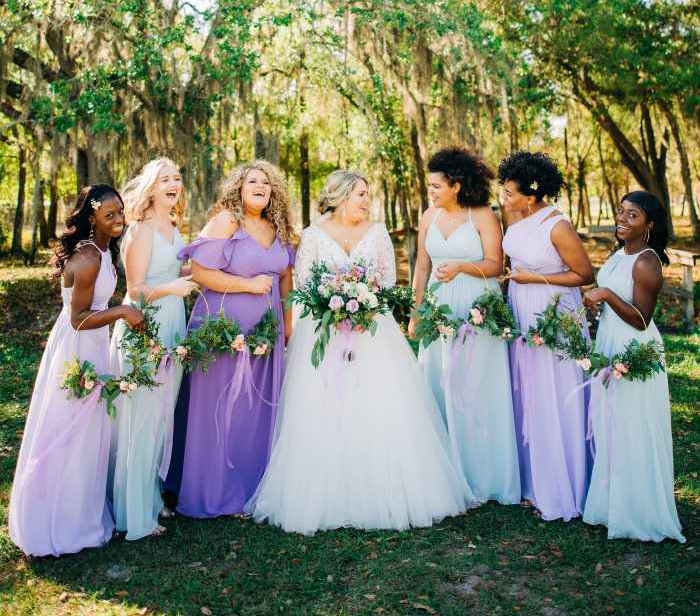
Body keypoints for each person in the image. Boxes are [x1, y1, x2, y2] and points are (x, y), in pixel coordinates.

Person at [249, 169, 474, 534]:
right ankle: (326, 490)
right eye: (360, 195)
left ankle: (384, 486)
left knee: (380, 403)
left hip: (372, 330)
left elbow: (387, 280)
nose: (367, 201)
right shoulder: (314, 234)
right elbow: (305, 282)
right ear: (339, 197)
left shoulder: (378, 232)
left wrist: (365, 304)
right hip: (323, 327)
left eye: (368, 195)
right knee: (324, 407)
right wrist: (331, 310)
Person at [9, 185, 146, 557]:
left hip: (94, 344)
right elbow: (79, 318)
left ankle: (84, 514)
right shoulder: (87, 258)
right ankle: (60, 522)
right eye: (110, 216)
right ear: (91, 218)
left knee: (90, 430)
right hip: (78, 346)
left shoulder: (104, 249)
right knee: (70, 429)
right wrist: (122, 311)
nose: (119, 221)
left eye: (121, 212)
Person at [165, 161, 295, 518]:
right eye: (253, 181)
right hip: (223, 326)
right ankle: (211, 489)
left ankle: (251, 487)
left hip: (265, 330)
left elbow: (285, 277)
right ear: (238, 187)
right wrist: (248, 285)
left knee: (255, 409)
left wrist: (287, 323)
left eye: (266, 183)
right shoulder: (226, 220)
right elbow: (202, 272)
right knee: (220, 408)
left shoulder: (276, 225)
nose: (260, 187)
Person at [412, 145, 520, 505]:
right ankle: (444, 472)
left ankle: (482, 473)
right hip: (438, 306)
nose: (431, 191)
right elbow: (422, 268)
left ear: (456, 185)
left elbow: (495, 264)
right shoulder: (428, 216)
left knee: (475, 384)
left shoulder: (483, 216)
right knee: (438, 381)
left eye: (436, 186)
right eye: (429, 186)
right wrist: (415, 312)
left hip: (476, 304)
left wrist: (460, 267)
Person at [583, 191, 685, 542]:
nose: (622, 219)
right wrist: (598, 304)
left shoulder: (646, 262)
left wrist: (607, 295)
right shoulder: (618, 254)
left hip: (635, 351)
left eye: (633, 215)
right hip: (611, 344)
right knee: (613, 423)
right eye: (621, 211)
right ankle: (611, 504)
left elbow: (641, 319)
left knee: (633, 426)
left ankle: (639, 511)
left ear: (650, 224)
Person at [499, 151, 594, 521]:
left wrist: (535, 278)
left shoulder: (558, 225)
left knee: (555, 391)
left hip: (553, 309)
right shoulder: (516, 218)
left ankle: (562, 484)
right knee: (530, 391)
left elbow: (583, 273)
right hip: (523, 307)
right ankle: (533, 481)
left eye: (510, 193)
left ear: (532, 195)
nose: (504, 198)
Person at [109, 158, 198, 539]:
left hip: (174, 325)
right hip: (147, 328)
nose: (173, 184)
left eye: (177, 178)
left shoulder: (174, 228)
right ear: (151, 188)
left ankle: (152, 493)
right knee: (142, 418)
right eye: (165, 179)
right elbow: (134, 291)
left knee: (163, 416)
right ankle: (134, 510)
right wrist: (173, 288)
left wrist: (192, 275)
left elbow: (171, 273)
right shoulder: (141, 231)